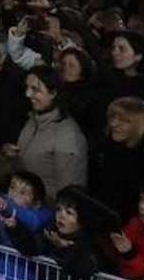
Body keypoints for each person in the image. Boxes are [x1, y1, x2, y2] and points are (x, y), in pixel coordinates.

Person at [14, 67, 88, 202]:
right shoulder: (33, 120)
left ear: (53, 93)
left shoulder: (68, 137)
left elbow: (69, 195)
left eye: (35, 89)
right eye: (27, 88)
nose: (28, 94)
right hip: (23, 202)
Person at [13, 184, 114, 280]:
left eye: (69, 212)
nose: (61, 216)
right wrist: (15, 227)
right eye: (58, 209)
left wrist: (64, 249)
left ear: (82, 218)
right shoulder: (50, 231)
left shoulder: (91, 242)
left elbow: (85, 269)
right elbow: (31, 247)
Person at [94, 96, 144, 218]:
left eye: (124, 121)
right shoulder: (110, 147)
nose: (113, 124)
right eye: (112, 117)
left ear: (141, 125)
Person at [0, 170, 54, 236]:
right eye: (12, 187)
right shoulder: (3, 199)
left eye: (22, 193)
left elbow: (32, 221)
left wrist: (6, 206)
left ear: (36, 205)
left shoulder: (44, 215)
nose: (13, 194)